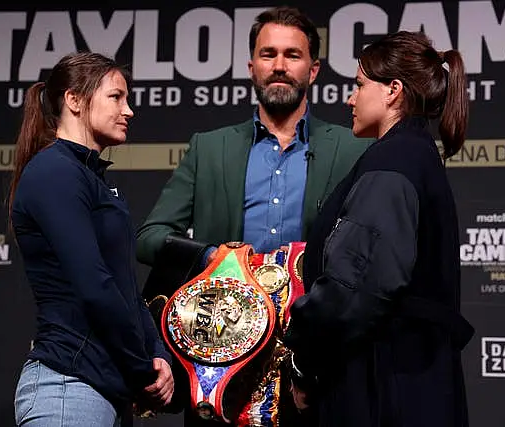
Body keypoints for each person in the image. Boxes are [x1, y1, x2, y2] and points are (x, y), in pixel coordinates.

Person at [135, 6, 369, 426]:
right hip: (221, 359)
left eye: (292, 55)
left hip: (313, 362)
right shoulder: (210, 148)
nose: (279, 66)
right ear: (251, 67)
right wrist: (211, 257)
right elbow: (150, 236)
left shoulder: (351, 149)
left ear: (313, 71)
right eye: (268, 54)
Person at [284, 31, 475, 426]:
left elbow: (355, 285)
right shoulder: (413, 155)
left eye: (357, 85)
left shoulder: (394, 161)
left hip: (382, 389)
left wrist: (303, 358)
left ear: (393, 91)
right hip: (407, 383)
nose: (349, 98)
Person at [8, 52, 174, 427]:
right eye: (116, 97)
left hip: (105, 392)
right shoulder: (54, 171)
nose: (128, 110)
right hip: (68, 388)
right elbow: (94, 285)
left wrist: (157, 352)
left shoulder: (92, 179)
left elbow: (125, 288)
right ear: (75, 101)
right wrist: (143, 368)